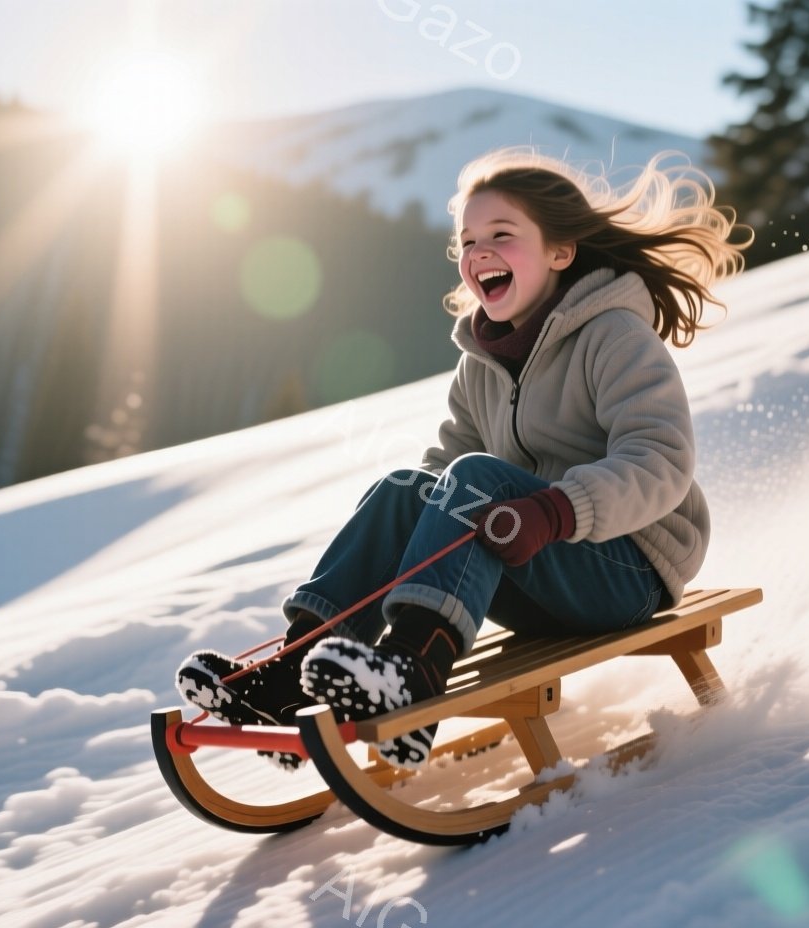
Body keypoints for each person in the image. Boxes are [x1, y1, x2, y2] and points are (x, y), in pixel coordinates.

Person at [177, 145, 749, 771]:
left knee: (473, 480)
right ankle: (291, 676)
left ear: (561, 252)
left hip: (630, 569)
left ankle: (414, 674)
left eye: (502, 234)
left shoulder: (614, 336)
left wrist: (555, 511)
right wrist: (427, 516)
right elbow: (439, 479)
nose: (479, 252)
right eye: (467, 240)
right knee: (405, 487)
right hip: (530, 571)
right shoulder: (478, 365)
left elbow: (660, 460)